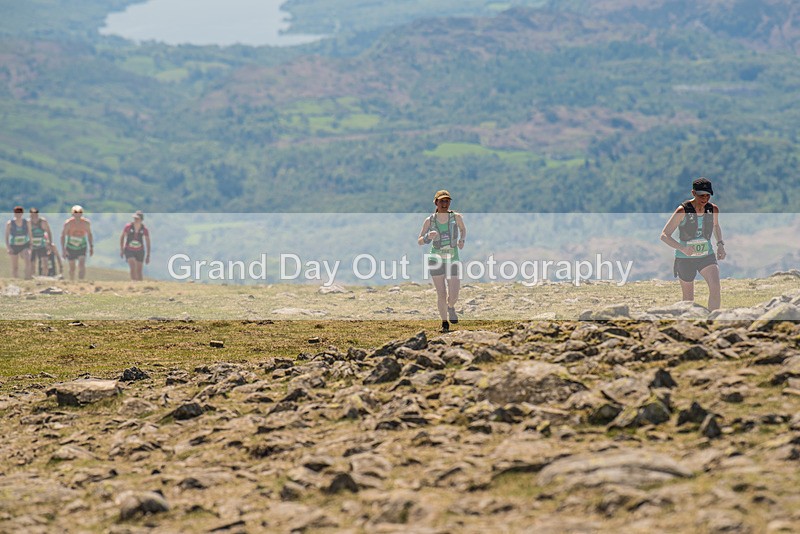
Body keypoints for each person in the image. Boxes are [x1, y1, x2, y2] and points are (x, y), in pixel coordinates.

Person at [660, 177, 726, 311]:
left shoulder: (713, 209)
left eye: (708, 195)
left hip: (706, 255)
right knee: (688, 299)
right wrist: (682, 248)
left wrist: (720, 244)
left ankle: (712, 320)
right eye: (701, 195)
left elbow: (716, 226)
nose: (705, 198)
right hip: (685, 259)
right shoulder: (682, 211)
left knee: (715, 287)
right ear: (693, 193)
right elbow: (664, 235)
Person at [418, 190, 466, 332]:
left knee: (454, 293)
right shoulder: (429, 220)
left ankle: (451, 307)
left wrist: (462, 240)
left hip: (452, 259)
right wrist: (428, 237)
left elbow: (463, 230)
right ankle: (444, 322)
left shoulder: (456, 217)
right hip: (435, 259)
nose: (444, 204)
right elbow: (420, 240)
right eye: (442, 201)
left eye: (447, 201)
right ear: (436, 203)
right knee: (441, 293)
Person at [61, 205, 93, 281]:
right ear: (73, 214)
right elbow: (63, 236)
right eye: (76, 213)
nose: (78, 214)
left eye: (79, 212)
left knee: (81, 264)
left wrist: (91, 247)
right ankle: (72, 281)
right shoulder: (68, 223)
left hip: (82, 246)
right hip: (71, 247)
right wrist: (63, 250)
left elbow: (89, 234)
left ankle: (81, 281)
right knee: (72, 267)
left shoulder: (86, 223)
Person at [120, 210, 150, 281]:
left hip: (140, 250)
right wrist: (122, 249)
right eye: (135, 218)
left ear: (141, 220)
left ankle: (140, 287)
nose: (135, 220)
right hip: (129, 249)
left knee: (139, 271)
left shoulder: (144, 229)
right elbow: (122, 237)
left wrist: (148, 255)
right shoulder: (128, 227)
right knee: (133, 266)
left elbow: (148, 242)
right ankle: (133, 284)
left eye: (137, 219)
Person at [5, 206, 32, 279]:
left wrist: (31, 245)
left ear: (22, 213)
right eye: (16, 213)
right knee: (15, 266)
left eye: (19, 213)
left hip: (24, 245)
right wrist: (8, 247)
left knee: (28, 260)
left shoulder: (27, 222)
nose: (18, 214)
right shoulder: (10, 223)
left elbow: (30, 233)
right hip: (14, 245)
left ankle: (28, 278)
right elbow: (7, 236)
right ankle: (15, 280)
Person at [28, 207, 53, 276]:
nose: (33, 215)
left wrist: (49, 243)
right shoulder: (28, 222)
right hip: (32, 245)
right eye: (32, 214)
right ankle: (32, 277)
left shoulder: (42, 222)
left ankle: (45, 276)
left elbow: (49, 232)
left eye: (35, 214)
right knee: (32, 263)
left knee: (45, 261)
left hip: (42, 244)